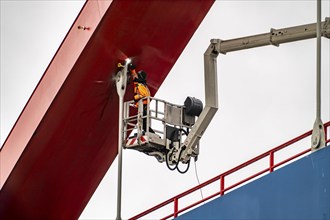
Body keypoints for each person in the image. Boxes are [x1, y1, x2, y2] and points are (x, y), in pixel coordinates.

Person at [128, 63, 154, 133]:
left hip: (143, 106)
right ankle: (150, 133)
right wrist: (132, 70)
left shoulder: (142, 86)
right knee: (143, 123)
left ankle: (152, 134)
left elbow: (145, 96)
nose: (137, 77)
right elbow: (134, 76)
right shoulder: (141, 85)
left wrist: (136, 97)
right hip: (142, 106)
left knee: (143, 123)